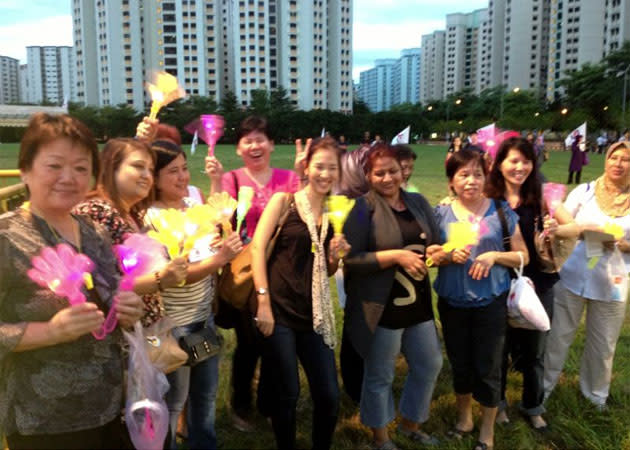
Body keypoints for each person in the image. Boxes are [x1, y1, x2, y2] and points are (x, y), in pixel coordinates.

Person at [0, 113, 144, 449]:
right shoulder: (7, 237)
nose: (69, 178)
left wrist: (128, 310)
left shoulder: (94, 231)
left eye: (81, 168)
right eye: (55, 166)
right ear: (25, 169)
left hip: (109, 406)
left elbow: (110, 302)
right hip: (43, 420)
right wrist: (50, 332)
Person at [252, 136, 349, 450]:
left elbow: (329, 270)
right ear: (307, 167)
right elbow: (256, 249)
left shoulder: (335, 215)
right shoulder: (284, 202)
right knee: (288, 392)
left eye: (331, 168)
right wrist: (263, 301)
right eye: (319, 166)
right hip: (278, 310)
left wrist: (335, 256)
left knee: (329, 396)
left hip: (314, 315)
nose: (325, 174)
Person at [344, 143, 443, 450]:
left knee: (429, 364)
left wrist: (440, 253)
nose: (387, 178)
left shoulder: (417, 202)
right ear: (368, 175)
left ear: (403, 171)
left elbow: (434, 244)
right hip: (381, 308)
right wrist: (397, 256)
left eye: (392, 171)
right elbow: (352, 259)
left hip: (418, 304)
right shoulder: (363, 208)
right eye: (379, 173)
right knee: (380, 374)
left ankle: (412, 423)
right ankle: (380, 438)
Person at [204, 115, 300, 431]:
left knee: (279, 340)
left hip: (283, 270)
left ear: (272, 144)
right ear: (239, 147)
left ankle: (268, 402)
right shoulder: (232, 179)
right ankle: (241, 404)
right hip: (246, 272)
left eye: (261, 138)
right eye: (248, 140)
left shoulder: (289, 178)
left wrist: (304, 177)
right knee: (250, 344)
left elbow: (304, 214)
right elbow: (216, 219)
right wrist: (216, 182)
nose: (255, 145)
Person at [146, 139, 243, 450]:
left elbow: (202, 255)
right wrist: (219, 259)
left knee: (205, 397)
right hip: (171, 328)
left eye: (185, 168)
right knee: (173, 403)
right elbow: (174, 278)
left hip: (203, 320)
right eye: (173, 171)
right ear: (154, 177)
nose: (183, 177)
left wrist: (216, 246)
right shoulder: (149, 218)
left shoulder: (192, 208)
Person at [430, 149, 529, 450]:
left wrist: (495, 255)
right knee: (460, 364)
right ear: (451, 181)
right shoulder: (440, 213)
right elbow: (429, 256)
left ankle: (488, 430)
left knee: (488, 366)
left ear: (486, 177)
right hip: (453, 302)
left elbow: (522, 255)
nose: (471, 181)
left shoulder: (500, 211)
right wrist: (446, 255)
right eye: (463, 175)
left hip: (490, 303)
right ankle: (464, 419)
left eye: (477, 174)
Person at [485, 137, 575, 431]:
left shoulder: (544, 194)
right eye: (513, 160)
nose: (519, 167)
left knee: (535, 351)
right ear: (499, 163)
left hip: (538, 284)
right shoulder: (488, 196)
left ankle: (533, 405)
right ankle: (497, 405)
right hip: (498, 282)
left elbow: (573, 227)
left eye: (526, 161)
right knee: (498, 349)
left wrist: (557, 227)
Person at [544, 141, 630, 410]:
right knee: (558, 336)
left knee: (603, 343)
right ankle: (542, 390)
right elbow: (562, 225)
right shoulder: (585, 191)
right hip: (573, 275)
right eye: (614, 157)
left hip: (612, 282)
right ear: (605, 160)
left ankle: (595, 396)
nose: (618, 163)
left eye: (625, 159)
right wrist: (582, 229)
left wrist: (626, 245)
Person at [74, 138, 187, 326]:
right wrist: (161, 279)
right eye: (138, 166)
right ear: (112, 167)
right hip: (117, 332)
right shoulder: (96, 212)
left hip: (145, 330)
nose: (147, 175)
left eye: (150, 170)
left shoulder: (131, 214)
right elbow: (98, 285)